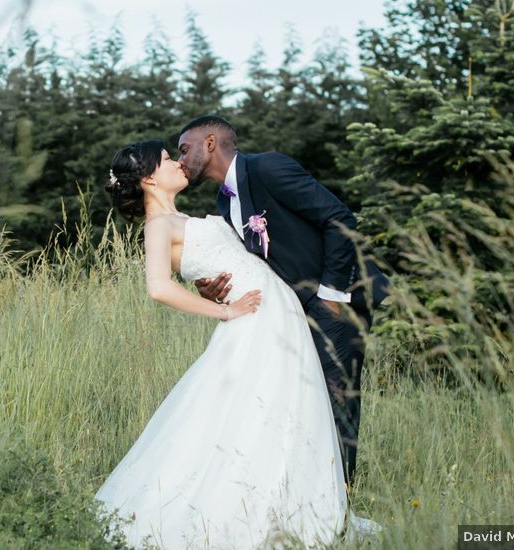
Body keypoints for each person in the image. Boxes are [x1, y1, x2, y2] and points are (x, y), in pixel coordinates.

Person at [95, 139, 349, 549]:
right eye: (165, 161)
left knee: (283, 413)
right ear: (147, 178)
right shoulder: (159, 225)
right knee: (255, 416)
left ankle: (286, 509)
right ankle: (243, 518)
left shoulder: (186, 216)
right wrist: (224, 312)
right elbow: (158, 288)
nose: (178, 163)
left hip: (277, 314)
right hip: (252, 321)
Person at [177, 115, 390, 487]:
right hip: (290, 314)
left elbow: (340, 219)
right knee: (304, 405)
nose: (181, 159)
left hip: (338, 300)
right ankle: (308, 498)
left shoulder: (268, 168)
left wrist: (330, 297)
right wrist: (210, 288)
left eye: (184, 148)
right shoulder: (225, 201)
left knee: (337, 401)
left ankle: (341, 505)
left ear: (210, 142)